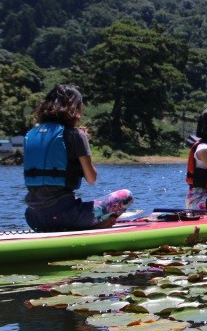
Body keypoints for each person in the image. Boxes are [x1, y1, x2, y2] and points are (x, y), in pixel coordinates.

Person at [23, 84, 133, 231]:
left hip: (33, 217)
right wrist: (83, 141)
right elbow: (91, 178)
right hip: (65, 217)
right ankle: (98, 226)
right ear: (75, 108)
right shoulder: (75, 135)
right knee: (125, 196)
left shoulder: (31, 134)